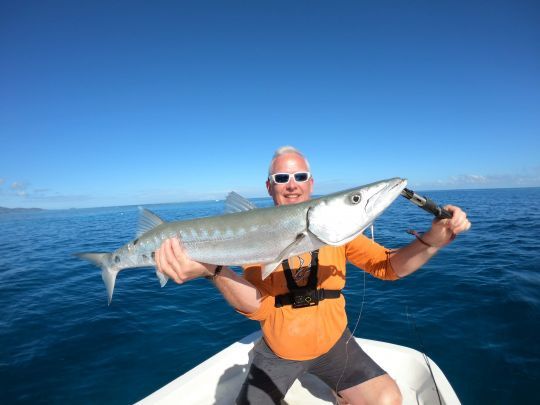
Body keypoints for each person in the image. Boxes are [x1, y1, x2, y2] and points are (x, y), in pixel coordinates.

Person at [154, 146, 471, 405]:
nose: (291, 184)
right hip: (280, 352)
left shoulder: (340, 232)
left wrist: (431, 240)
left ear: (311, 183)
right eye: (281, 177)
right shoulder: (259, 238)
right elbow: (258, 307)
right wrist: (214, 270)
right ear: (270, 186)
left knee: (387, 399)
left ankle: (340, 391)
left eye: (300, 176)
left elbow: (388, 266)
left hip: (336, 347)